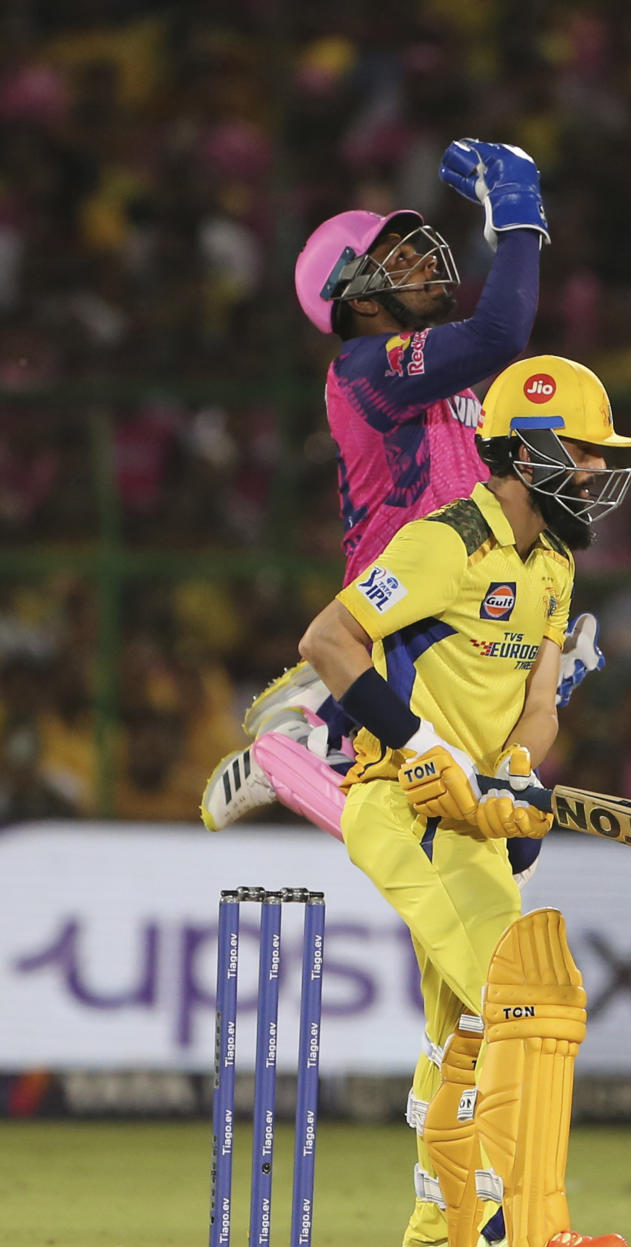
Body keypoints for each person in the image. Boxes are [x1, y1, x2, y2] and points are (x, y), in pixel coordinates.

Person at [296, 353, 631, 1247]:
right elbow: (327, 641)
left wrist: (519, 775)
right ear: (528, 453)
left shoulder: (555, 566)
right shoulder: (441, 544)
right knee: (528, 997)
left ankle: (433, 1238)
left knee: (470, 1029)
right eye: (584, 451)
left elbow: (540, 698)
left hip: (475, 819)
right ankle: (515, 1238)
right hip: (403, 804)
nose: (600, 472)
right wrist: (420, 745)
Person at [201, 139, 605, 860]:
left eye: (418, 248)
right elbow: (502, 331)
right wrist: (518, 217)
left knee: (510, 851)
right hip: (409, 618)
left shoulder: (442, 384)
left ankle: (310, 723)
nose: (424, 260)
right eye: (398, 257)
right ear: (353, 296)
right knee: (471, 845)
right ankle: (304, 736)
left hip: (459, 612)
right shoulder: (365, 368)